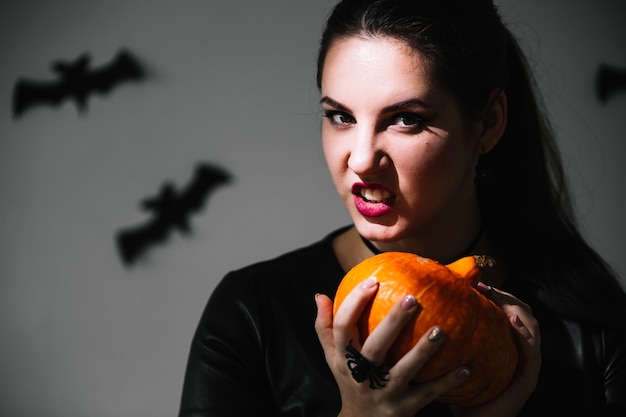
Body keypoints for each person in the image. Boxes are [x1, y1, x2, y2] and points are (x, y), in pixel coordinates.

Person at [178, 0, 626, 416]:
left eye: (405, 119)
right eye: (341, 116)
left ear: (487, 123)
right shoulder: (251, 316)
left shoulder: (589, 329)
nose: (360, 159)